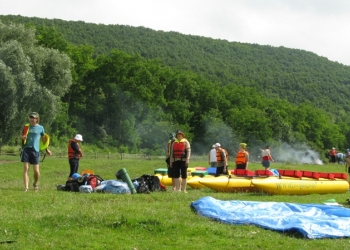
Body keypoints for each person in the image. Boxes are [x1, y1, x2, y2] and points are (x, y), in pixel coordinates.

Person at [20, 112, 52, 192]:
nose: (32, 119)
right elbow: (21, 135)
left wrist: (46, 149)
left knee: (36, 171)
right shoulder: (26, 127)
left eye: (34, 118)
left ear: (37, 119)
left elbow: (44, 140)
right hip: (26, 149)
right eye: (31, 117)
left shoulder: (41, 128)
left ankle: (35, 183)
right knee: (26, 168)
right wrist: (22, 137)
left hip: (35, 150)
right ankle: (26, 187)